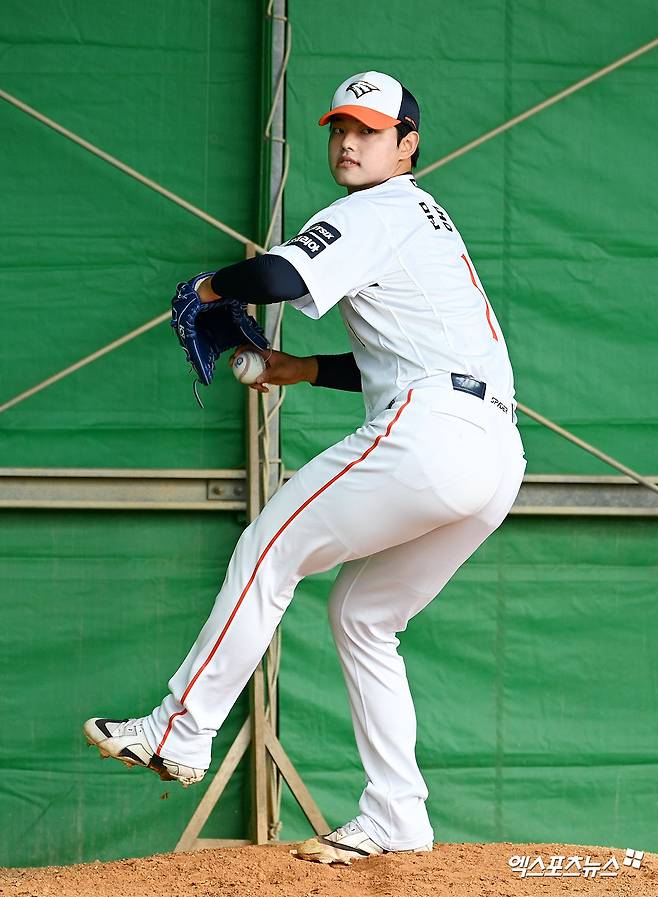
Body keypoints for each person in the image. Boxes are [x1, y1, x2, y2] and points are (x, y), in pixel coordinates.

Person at [84, 70, 526, 864]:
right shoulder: (422, 218)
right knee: (363, 616)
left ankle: (180, 729)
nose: (349, 142)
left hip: (434, 434)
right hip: (494, 451)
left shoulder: (374, 210)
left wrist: (208, 286)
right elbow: (398, 357)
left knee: (269, 546)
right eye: (340, 128)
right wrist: (300, 369)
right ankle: (398, 814)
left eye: (369, 131)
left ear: (407, 145)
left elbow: (280, 278)